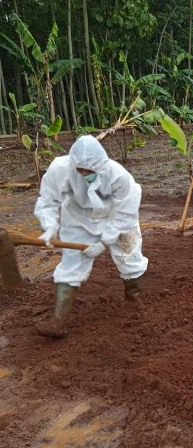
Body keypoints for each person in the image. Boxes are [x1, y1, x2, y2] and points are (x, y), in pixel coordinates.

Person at [33, 135, 148, 338]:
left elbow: (126, 214)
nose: (85, 173)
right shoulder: (60, 169)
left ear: (100, 165)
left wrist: (104, 242)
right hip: (79, 218)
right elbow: (48, 201)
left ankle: (133, 298)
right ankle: (58, 322)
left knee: (129, 257)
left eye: (90, 170)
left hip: (116, 216)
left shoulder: (119, 176)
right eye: (81, 170)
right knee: (70, 265)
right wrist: (50, 227)